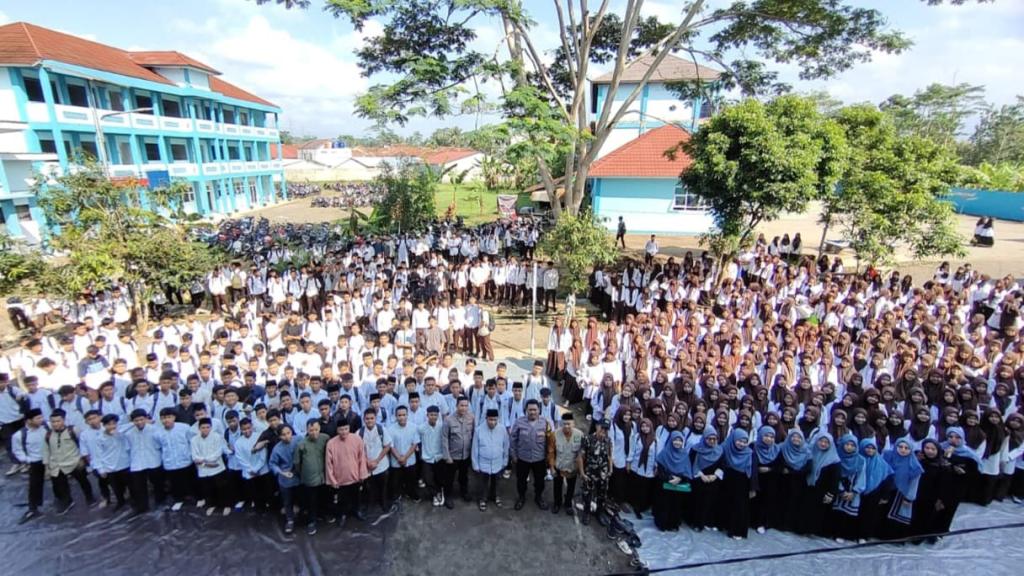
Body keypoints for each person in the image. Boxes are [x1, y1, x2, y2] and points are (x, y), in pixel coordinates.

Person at [797, 431, 840, 537]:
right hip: (808, 488)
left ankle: (813, 531)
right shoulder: (810, 453)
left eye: (826, 442)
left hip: (823, 491)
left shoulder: (834, 460)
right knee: (805, 509)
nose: (823, 444)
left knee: (818, 513)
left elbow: (835, 479)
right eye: (821, 441)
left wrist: (831, 493)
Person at [509, 399, 550, 511]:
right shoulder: (519, 422)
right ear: (526, 410)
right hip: (523, 458)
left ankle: (538, 497)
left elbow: (550, 441)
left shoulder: (545, 423)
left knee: (540, 481)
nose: (532, 412)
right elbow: (513, 439)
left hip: (539, 459)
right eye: (530, 409)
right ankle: (521, 497)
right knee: (521, 480)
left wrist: (548, 458)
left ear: (539, 410)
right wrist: (513, 455)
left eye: (535, 409)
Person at [325, 421, 369, 524]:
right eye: (341, 429)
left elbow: (362, 457)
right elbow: (328, 463)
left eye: (346, 429)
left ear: (349, 428)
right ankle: (342, 514)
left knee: (356, 496)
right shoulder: (331, 443)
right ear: (337, 430)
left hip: (355, 476)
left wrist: (362, 474)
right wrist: (332, 480)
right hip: (340, 478)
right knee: (341, 499)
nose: (344, 432)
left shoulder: (357, 439)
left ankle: (357, 511)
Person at [882, 438, 923, 538]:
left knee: (896, 516)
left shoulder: (914, 466)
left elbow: (914, 484)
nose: (903, 450)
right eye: (900, 447)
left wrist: (909, 498)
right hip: (887, 491)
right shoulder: (888, 457)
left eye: (906, 448)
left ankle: (893, 537)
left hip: (902, 494)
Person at [125, 408, 164, 515]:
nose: (139, 422)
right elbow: (127, 448)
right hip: (137, 462)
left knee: (157, 484)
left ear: (146, 419)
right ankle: (142, 506)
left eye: (141, 419)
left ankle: (160, 502)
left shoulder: (155, 430)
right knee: (139, 486)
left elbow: (160, 444)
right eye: (136, 420)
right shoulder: (128, 434)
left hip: (153, 459)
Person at [190, 417, 230, 517]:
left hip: (218, 468)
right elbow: (195, 456)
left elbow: (217, 453)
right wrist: (206, 462)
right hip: (203, 470)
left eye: (208, 427)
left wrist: (204, 460)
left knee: (222, 488)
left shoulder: (217, 437)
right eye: (203, 427)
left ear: (211, 428)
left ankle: (226, 505)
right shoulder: (194, 440)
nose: (205, 429)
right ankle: (212, 505)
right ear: (199, 428)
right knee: (208, 489)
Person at [294, 419, 328, 535]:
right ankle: (312, 521)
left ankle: (323, 515)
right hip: (309, 479)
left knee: (324, 497)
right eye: (311, 430)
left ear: (320, 429)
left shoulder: (325, 438)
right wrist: (303, 473)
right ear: (307, 430)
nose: (314, 432)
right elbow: (297, 463)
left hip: (324, 476)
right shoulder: (301, 444)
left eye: (316, 429)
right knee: (311, 501)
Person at [13, 408, 47, 523]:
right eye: (38, 418)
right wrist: (28, 460)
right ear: (29, 421)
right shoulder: (19, 435)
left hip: (51, 459)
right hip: (35, 462)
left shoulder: (46, 428)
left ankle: (63, 501)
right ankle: (33, 508)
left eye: (41, 417)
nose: (41, 420)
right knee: (35, 485)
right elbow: (17, 451)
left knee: (59, 481)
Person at [652, 430, 691, 531]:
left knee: (676, 506)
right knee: (664, 505)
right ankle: (662, 524)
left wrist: (679, 479)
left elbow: (687, 472)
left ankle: (673, 524)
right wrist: (669, 478)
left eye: (680, 440)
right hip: (665, 485)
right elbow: (660, 471)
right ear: (671, 441)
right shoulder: (664, 453)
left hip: (678, 487)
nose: (677, 442)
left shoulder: (684, 455)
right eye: (675, 440)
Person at [472, 408, 509, 511]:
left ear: (497, 419)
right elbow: (474, 448)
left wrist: (505, 461)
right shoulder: (479, 430)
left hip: (498, 462)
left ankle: (496, 496)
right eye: (490, 419)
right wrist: (475, 464)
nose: (492, 422)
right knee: (483, 483)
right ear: (486, 418)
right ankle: (483, 500)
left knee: (497, 481)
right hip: (483, 463)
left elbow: (506, 446)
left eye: (494, 419)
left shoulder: (502, 429)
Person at [441, 395, 474, 509]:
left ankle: (464, 492)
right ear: (456, 406)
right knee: (449, 478)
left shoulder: (471, 418)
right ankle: (448, 497)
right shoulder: (448, 420)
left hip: (466, 455)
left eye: (466, 406)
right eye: (461, 405)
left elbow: (473, 435)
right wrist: (447, 456)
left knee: (464, 476)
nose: (464, 408)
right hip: (453, 455)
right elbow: (444, 438)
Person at [578, 418, 613, 525]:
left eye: (606, 429)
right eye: (602, 427)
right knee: (587, 494)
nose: (604, 430)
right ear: (597, 426)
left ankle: (599, 513)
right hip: (590, 473)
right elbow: (580, 457)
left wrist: (610, 469)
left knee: (602, 495)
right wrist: (582, 473)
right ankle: (586, 512)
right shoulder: (587, 439)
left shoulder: (608, 440)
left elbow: (609, 456)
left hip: (603, 473)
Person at [358, 409, 392, 515]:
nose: (369, 421)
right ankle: (370, 504)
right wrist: (367, 461)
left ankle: (384, 503)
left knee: (383, 486)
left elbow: (387, 446)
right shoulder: (359, 432)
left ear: (375, 418)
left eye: (372, 418)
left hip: (381, 464)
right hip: (367, 465)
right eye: (367, 419)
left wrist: (376, 461)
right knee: (369, 487)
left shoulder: (382, 429)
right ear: (364, 419)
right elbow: (358, 450)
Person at [549, 412, 583, 516]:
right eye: (564, 424)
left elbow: (581, 454)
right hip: (559, 467)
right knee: (557, 486)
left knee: (571, 488)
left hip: (572, 468)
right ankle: (557, 503)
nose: (566, 426)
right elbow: (551, 452)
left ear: (573, 424)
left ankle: (568, 504)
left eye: (569, 424)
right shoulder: (554, 434)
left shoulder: (580, 435)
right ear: (561, 424)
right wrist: (552, 468)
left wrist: (580, 470)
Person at [750, 426, 783, 534]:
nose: (769, 439)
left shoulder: (777, 449)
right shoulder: (753, 447)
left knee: (766, 502)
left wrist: (769, 469)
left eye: (771, 436)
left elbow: (780, 467)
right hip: (755, 479)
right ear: (760, 435)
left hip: (770, 481)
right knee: (753, 500)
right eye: (766, 436)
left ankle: (761, 523)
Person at [269, 424, 300, 534]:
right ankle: (290, 520)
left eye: (289, 433)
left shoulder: (299, 439)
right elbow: (272, 464)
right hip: (286, 479)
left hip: (300, 476)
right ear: (279, 436)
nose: (287, 436)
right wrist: (282, 472)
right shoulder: (277, 449)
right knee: (287, 501)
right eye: (283, 435)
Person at [418, 405, 445, 507]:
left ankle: (439, 492)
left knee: (439, 477)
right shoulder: (421, 428)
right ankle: (434, 495)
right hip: (427, 457)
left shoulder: (442, 426)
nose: (433, 417)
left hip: (439, 456)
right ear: (427, 415)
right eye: (431, 415)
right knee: (428, 478)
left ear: (438, 415)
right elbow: (418, 443)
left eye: (435, 415)